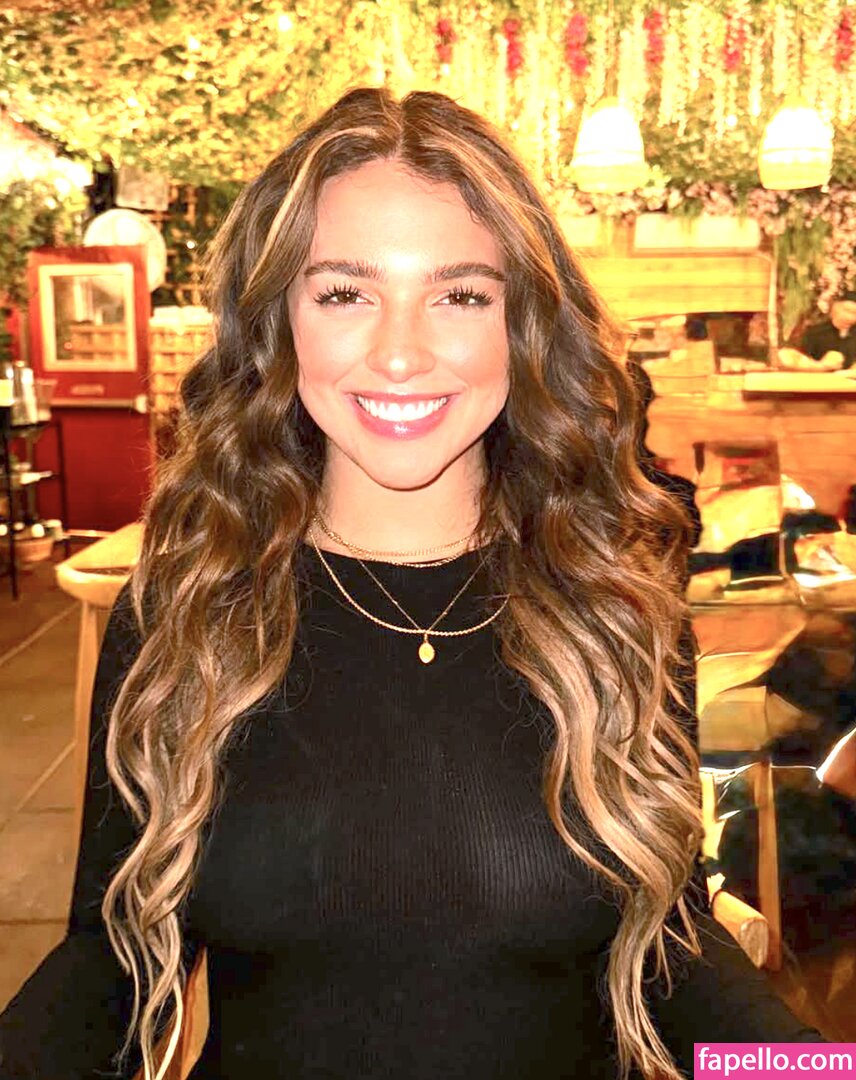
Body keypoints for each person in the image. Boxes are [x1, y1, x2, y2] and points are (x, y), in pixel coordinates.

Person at [0, 88, 820, 1080]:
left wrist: (808, 1070)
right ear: (278, 321)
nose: (399, 353)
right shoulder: (188, 612)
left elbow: (670, 950)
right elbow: (111, 962)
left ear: (523, 323)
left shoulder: (612, 610)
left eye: (459, 295)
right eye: (344, 293)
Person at [800, 289, 856, 368]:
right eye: (847, 310)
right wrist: (822, 365)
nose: (850, 317)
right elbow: (802, 361)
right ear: (834, 307)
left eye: (854, 313)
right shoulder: (814, 333)